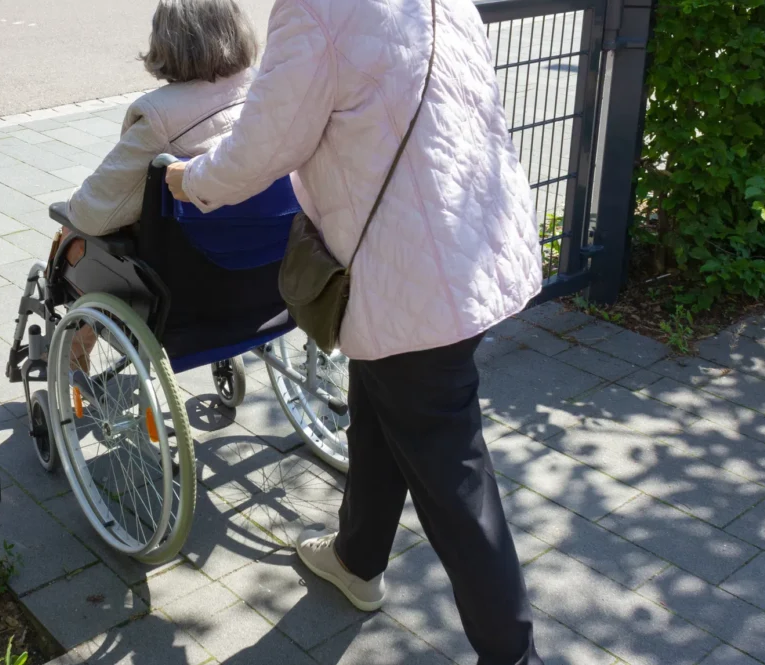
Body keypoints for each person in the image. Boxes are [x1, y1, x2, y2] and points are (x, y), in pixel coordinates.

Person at [165, 0, 544, 662]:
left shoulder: (317, 10)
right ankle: (356, 557)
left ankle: (514, 654)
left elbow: (261, 147)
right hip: (475, 245)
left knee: (451, 468)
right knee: (380, 398)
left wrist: (187, 179)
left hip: (416, 274)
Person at [54, 0, 258, 394]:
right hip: (265, 270)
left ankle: (75, 346)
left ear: (168, 42)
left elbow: (95, 212)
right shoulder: (265, 90)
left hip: (185, 285)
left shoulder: (160, 115)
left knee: (80, 236)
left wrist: (70, 211)